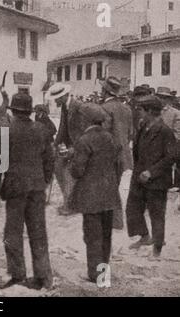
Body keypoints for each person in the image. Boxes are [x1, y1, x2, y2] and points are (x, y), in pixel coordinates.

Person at [0, 93, 54, 290]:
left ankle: (18, 275)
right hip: (36, 188)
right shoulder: (42, 130)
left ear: (13, 110)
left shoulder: (7, 130)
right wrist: (43, 180)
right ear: (29, 111)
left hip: (15, 188)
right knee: (38, 232)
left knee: (13, 232)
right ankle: (43, 277)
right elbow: (49, 160)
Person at [69, 103, 121, 283]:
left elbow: (77, 171)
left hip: (91, 196)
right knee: (106, 235)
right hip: (108, 194)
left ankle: (94, 274)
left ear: (86, 120)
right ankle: (103, 271)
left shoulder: (84, 140)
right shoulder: (110, 137)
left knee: (92, 236)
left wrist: (71, 160)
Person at [126, 95, 176, 258]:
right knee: (133, 208)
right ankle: (144, 236)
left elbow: (170, 157)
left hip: (157, 180)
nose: (139, 113)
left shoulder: (165, 131)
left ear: (150, 111)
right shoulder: (143, 127)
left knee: (157, 213)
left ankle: (157, 248)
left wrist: (151, 172)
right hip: (139, 176)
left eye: (141, 110)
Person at [99, 76, 133, 230]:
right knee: (115, 185)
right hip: (123, 155)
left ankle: (115, 221)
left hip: (108, 155)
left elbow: (103, 135)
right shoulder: (126, 108)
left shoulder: (104, 109)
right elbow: (131, 133)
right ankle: (114, 220)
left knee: (108, 187)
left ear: (105, 91)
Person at [46, 83, 85, 216]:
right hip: (69, 145)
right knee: (58, 168)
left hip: (79, 147)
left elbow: (84, 132)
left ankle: (70, 205)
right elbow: (62, 128)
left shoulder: (79, 107)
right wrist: (55, 144)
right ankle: (69, 201)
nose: (55, 101)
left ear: (63, 96)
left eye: (56, 98)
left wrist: (74, 149)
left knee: (69, 174)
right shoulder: (64, 106)